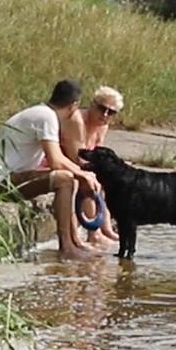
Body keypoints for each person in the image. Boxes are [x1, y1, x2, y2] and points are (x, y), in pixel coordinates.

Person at [0, 79, 102, 258]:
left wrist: (82, 175)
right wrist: (83, 174)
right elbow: (56, 161)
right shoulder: (47, 117)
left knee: (71, 178)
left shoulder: (41, 112)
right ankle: (66, 246)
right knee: (65, 179)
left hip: (7, 178)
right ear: (74, 105)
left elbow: (59, 158)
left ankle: (75, 241)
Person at [59, 86, 126, 248]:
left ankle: (106, 229)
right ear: (92, 104)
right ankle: (94, 232)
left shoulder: (103, 125)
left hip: (78, 164)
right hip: (61, 161)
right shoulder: (77, 119)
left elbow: (98, 156)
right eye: (102, 109)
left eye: (111, 112)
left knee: (109, 179)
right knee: (89, 180)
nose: (105, 115)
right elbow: (76, 157)